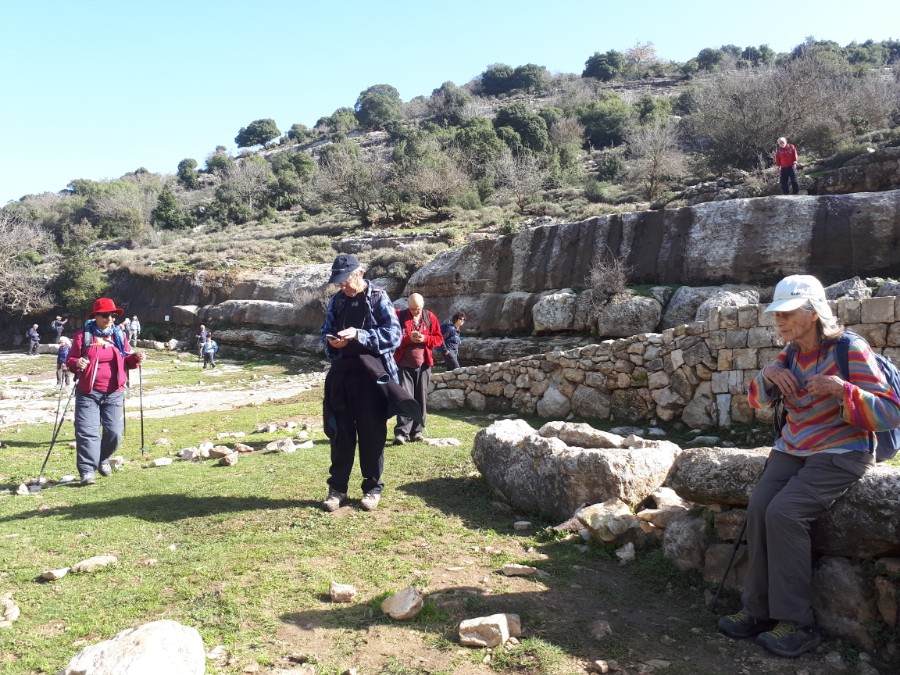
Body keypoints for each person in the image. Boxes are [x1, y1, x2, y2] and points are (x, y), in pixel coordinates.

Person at [717, 275, 900, 658]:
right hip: (794, 446)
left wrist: (842, 390)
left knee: (785, 512)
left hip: (842, 451)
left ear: (813, 313)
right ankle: (757, 611)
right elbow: (756, 401)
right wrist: (766, 377)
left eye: (787, 313)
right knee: (759, 507)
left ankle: (796, 623)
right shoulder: (790, 352)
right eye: (776, 314)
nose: (778, 321)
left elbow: (889, 412)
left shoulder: (851, 348)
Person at [320, 254, 402, 512]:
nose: (342, 286)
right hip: (343, 376)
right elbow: (325, 332)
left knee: (372, 433)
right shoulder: (337, 301)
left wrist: (360, 334)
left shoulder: (378, 297)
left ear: (361, 273)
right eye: (339, 282)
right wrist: (332, 343)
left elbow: (394, 335)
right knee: (341, 434)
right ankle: (337, 490)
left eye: (346, 281)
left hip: (372, 378)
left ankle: (372, 489)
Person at [66, 297, 145, 485]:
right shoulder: (83, 336)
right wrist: (77, 363)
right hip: (88, 392)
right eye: (104, 315)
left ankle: (102, 458)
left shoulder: (119, 336)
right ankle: (87, 471)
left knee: (115, 434)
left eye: (112, 315)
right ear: (95, 316)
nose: (109, 318)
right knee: (87, 433)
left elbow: (127, 360)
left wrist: (135, 358)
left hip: (114, 393)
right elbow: (70, 361)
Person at [392, 293, 443, 445]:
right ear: (408, 306)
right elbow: (392, 339)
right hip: (403, 366)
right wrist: (408, 339)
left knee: (421, 399)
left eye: (418, 309)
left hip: (424, 366)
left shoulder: (430, 317)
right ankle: (401, 433)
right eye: (412, 308)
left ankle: (417, 432)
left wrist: (425, 338)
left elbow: (439, 339)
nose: (415, 311)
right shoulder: (400, 317)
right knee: (405, 399)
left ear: (423, 305)